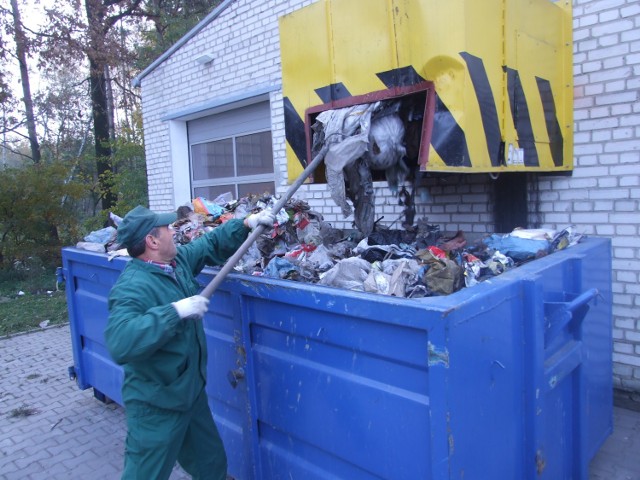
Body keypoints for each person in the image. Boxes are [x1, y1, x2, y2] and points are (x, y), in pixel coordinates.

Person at [104, 204, 274, 480]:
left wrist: (245, 223)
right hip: (157, 404)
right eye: (168, 229)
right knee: (144, 475)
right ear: (152, 241)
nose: (174, 232)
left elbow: (208, 245)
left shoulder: (176, 264)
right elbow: (120, 341)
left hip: (190, 394)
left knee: (211, 465)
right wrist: (175, 312)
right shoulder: (133, 286)